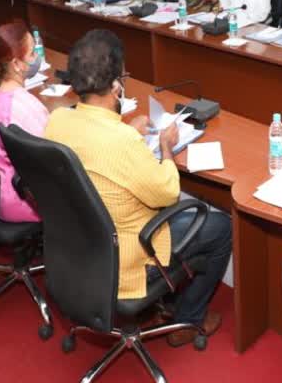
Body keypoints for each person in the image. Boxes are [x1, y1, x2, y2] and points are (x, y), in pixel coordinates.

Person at [44, 29, 232, 347]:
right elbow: (167, 192)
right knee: (221, 227)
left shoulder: (58, 119)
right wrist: (167, 147)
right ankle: (188, 319)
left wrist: (126, 131)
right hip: (129, 257)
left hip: (78, 250)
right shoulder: (123, 141)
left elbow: (96, 146)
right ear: (117, 84)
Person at [0, 22, 49, 223]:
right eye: (33, 53)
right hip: (23, 199)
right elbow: (51, 159)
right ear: (16, 64)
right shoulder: (24, 106)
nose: (37, 58)